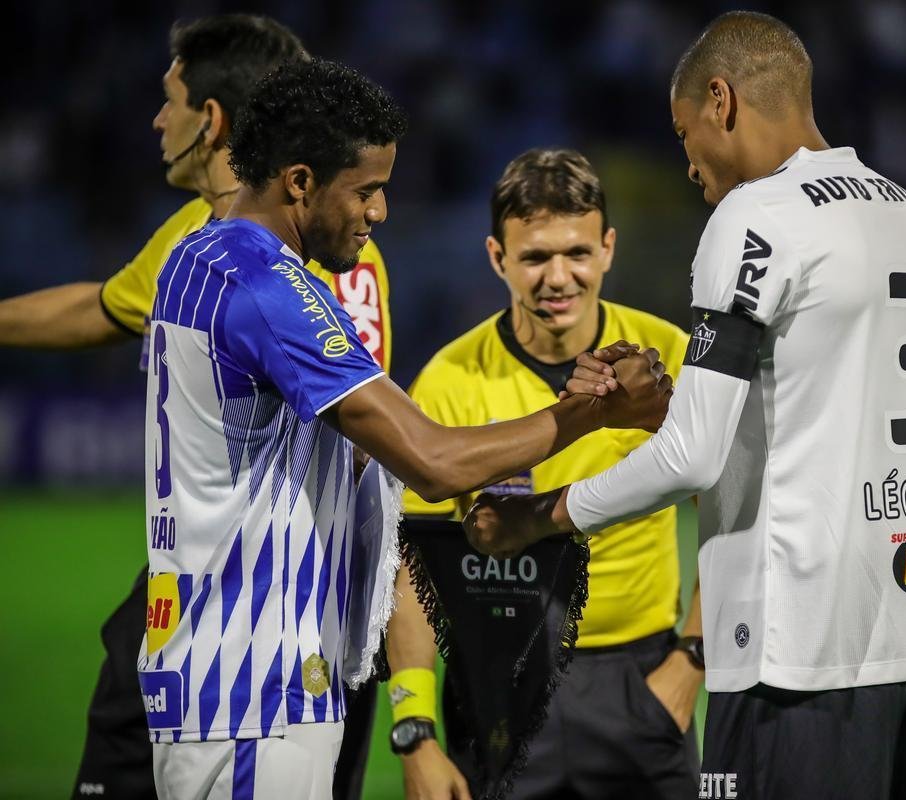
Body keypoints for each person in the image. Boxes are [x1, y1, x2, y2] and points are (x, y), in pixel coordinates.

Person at [143, 57, 670, 798]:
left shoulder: (193, 259)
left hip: (201, 664)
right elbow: (431, 459)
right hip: (258, 686)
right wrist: (590, 412)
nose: (381, 211)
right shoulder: (272, 290)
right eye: (366, 189)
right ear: (300, 182)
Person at [464, 11, 906, 800]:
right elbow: (804, 416)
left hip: (795, 652)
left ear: (720, 101)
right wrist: (661, 407)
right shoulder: (905, 210)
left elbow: (693, 455)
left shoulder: (755, 214)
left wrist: (537, 516)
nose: (687, 160)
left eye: (684, 129)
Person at [0, 15, 391, 800]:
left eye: (169, 99)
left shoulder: (326, 262)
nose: (156, 119)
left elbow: (369, 438)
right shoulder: (193, 242)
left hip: (284, 615)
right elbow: (105, 307)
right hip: (190, 593)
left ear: (209, 120)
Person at [385, 148, 701, 800]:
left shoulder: (667, 355)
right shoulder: (450, 380)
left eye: (578, 253)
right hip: (495, 685)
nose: (558, 277)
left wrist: (690, 664)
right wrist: (414, 730)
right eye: (534, 258)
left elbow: (743, 512)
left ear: (609, 248)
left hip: (640, 679)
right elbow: (412, 568)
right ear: (498, 258)